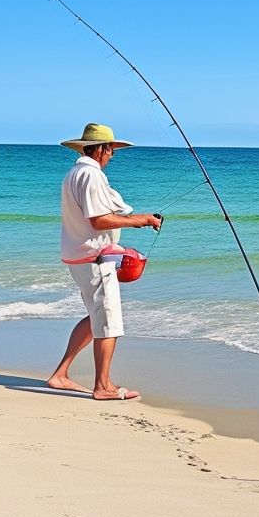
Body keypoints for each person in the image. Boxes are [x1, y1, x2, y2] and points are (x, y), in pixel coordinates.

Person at [47, 123, 162, 400]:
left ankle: (60, 375)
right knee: (108, 320)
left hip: (81, 256)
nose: (112, 156)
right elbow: (98, 220)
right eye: (111, 150)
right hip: (94, 259)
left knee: (96, 318)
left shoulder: (75, 173)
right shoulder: (90, 175)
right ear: (101, 149)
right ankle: (103, 386)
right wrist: (141, 221)